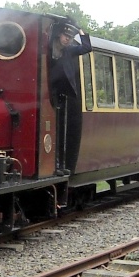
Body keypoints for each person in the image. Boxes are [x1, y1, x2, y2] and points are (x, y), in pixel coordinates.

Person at [48, 20, 92, 175]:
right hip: (47, 92)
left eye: (70, 37)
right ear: (60, 34)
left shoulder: (70, 50)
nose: (67, 39)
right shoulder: (47, 47)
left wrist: (80, 30)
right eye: (66, 35)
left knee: (60, 131)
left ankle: (59, 164)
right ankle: (53, 164)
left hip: (60, 94)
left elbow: (87, 47)